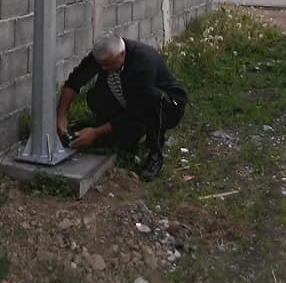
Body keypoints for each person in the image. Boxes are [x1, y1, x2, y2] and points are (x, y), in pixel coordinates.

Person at [56, 32, 187, 181]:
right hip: (131, 102)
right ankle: (125, 134)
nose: (103, 68)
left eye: (108, 64)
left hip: (168, 107)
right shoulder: (104, 55)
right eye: (101, 64)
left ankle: (154, 154)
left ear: (122, 54)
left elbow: (137, 111)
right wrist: (61, 115)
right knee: (95, 96)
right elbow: (75, 80)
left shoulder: (142, 63)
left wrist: (96, 133)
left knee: (152, 102)